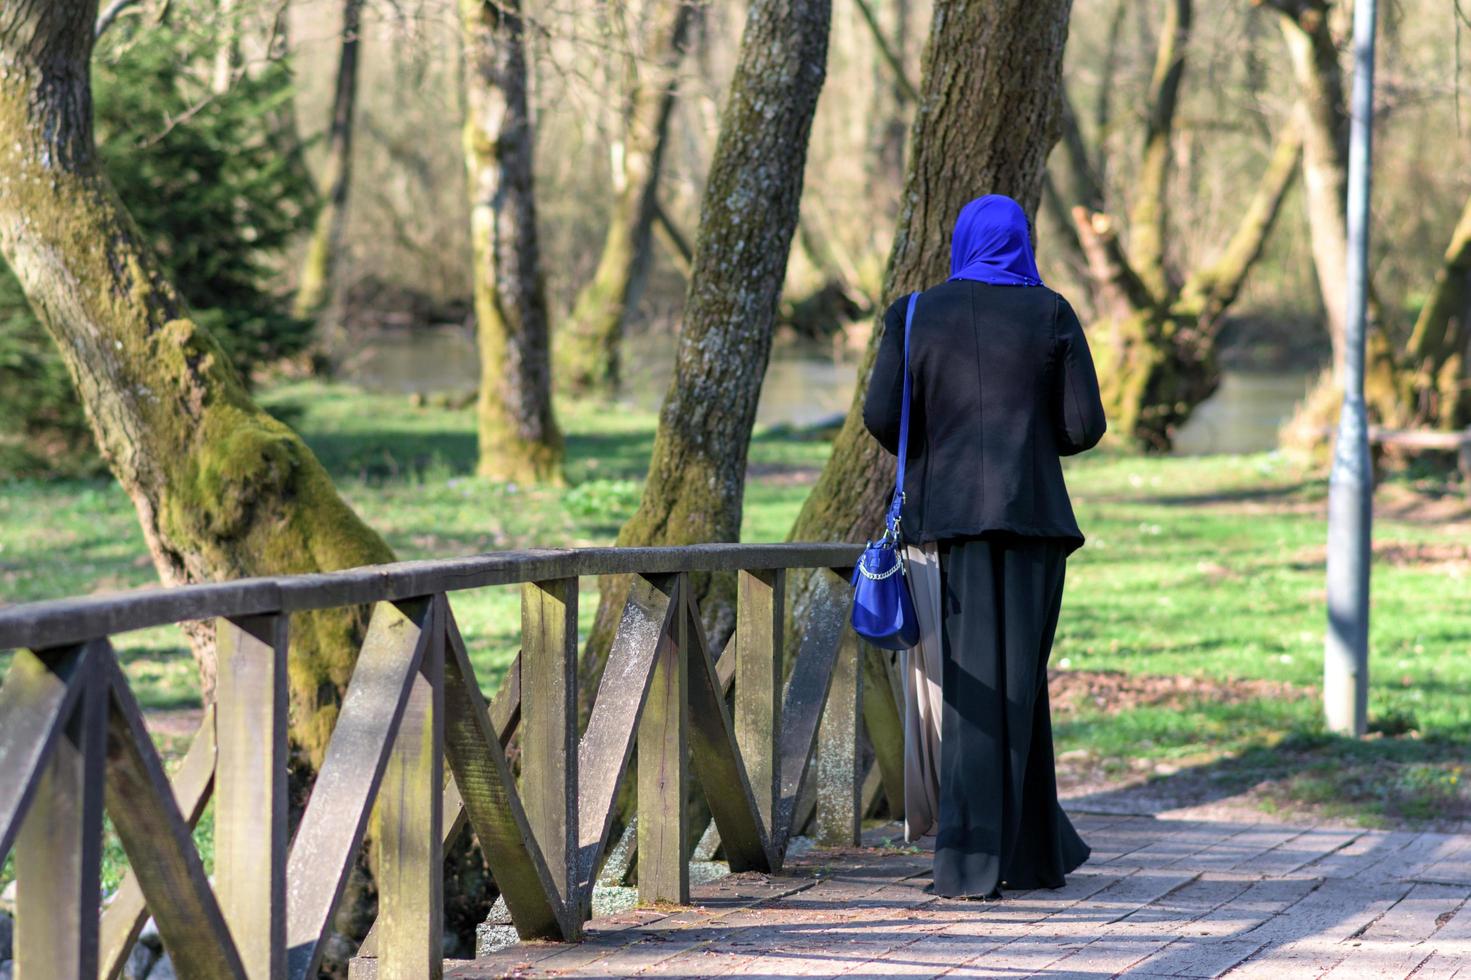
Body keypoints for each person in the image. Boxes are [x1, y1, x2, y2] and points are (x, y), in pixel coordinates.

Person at [862, 193, 1107, 900]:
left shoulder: (914, 314)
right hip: (1033, 524)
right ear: (1022, 241)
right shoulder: (1052, 312)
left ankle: (993, 858)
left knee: (974, 692)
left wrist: (938, 450)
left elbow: (883, 414)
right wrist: (1034, 437)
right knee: (1019, 687)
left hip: (947, 527)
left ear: (960, 240)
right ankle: (1014, 859)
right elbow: (1083, 425)